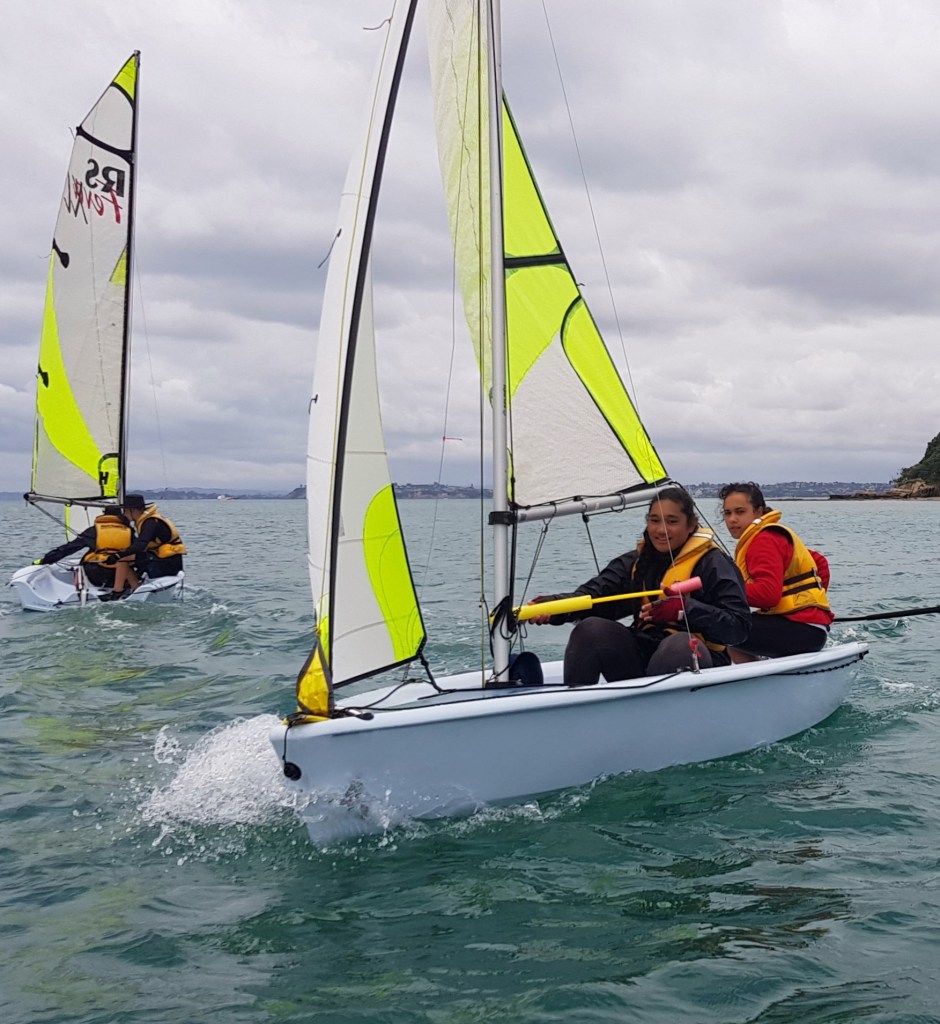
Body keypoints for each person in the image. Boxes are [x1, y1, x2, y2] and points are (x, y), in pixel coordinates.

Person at [528, 487, 751, 685]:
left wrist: (685, 610)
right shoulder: (637, 562)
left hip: (699, 662)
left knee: (681, 644)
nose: (661, 530)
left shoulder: (714, 564)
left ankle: (654, 717)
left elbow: (738, 628)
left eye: (672, 521)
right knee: (591, 629)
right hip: (643, 658)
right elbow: (595, 596)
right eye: (654, 520)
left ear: (691, 524)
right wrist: (555, 607)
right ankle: (574, 714)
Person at [718, 482, 833, 662]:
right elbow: (820, 563)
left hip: (802, 631)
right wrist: (814, 609)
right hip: (814, 628)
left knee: (722, 625)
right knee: (731, 628)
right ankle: (758, 673)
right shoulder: (771, 536)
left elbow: (767, 596)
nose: (732, 519)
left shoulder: (762, 541)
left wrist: (719, 591)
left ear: (758, 512)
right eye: (727, 513)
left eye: (740, 512)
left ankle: (755, 684)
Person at [36, 505, 133, 591]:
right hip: (123, 575)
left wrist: (45, 559)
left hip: (97, 574)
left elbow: (68, 548)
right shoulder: (129, 531)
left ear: (104, 514)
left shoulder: (94, 531)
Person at [107, 493, 187, 594]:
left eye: (125, 511)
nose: (124, 514)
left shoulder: (150, 522)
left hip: (167, 562)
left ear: (133, 510)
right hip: (167, 559)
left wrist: (117, 555)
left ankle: (118, 591)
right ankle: (135, 587)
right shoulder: (149, 520)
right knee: (125, 558)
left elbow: (141, 545)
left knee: (121, 559)